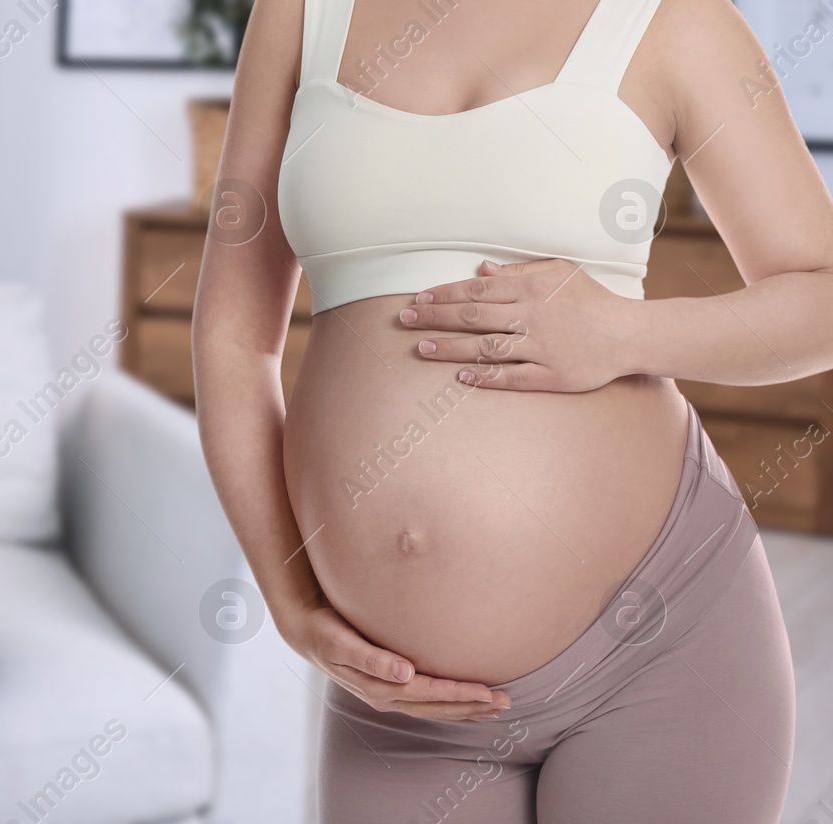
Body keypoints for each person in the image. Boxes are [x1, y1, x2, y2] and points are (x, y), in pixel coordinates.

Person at [194, 0, 831, 820]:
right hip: (405, 699)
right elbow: (233, 341)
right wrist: (290, 600)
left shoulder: (675, 20)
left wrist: (623, 334)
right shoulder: (301, 13)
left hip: (658, 650)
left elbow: (818, 296)